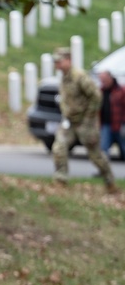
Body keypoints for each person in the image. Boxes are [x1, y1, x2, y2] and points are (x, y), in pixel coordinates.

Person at [51, 48, 117, 192]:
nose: (57, 65)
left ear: (68, 60)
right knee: (59, 147)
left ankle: (109, 181)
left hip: (85, 122)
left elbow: (96, 96)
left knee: (95, 155)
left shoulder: (79, 76)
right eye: (56, 62)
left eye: (60, 62)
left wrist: (89, 117)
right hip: (70, 121)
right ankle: (61, 180)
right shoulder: (64, 77)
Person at [98, 70, 125, 162]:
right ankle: (104, 170)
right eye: (101, 80)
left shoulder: (121, 90)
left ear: (110, 78)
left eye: (104, 80)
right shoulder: (101, 91)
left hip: (119, 123)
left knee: (123, 146)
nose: (103, 83)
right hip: (106, 123)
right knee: (104, 147)